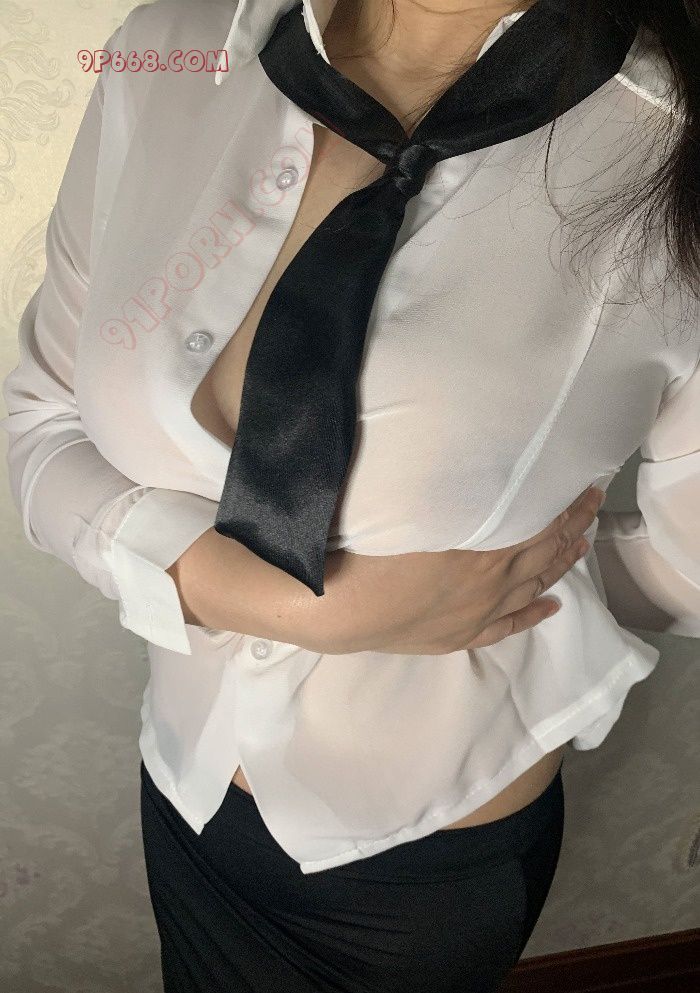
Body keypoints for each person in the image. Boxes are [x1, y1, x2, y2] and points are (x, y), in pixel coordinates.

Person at [2, 0, 699, 990]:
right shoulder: (171, 53)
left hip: (419, 860)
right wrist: (284, 603)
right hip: (186, 778)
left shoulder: (672, 148)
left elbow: (688, 565)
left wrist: (524, 595)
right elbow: (41, 421)